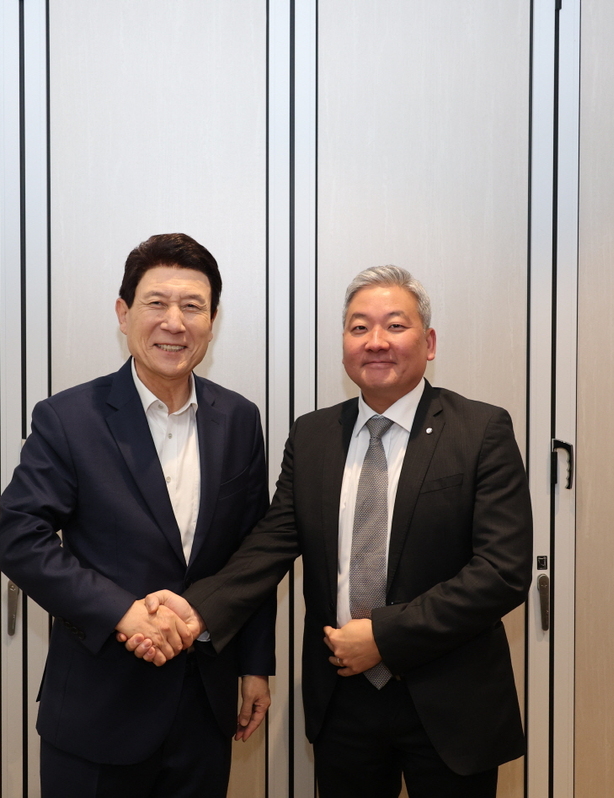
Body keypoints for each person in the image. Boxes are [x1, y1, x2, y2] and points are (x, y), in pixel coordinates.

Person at [127, 265, 532, 798]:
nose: (376, 341)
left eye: (395, 326)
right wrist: (195, 610)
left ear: (429, 343)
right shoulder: (314, 435)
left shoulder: (480, 430)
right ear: (344, 345)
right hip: (344, 700)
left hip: (451, 699)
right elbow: (271, 543)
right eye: (359, 328)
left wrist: (384, 637)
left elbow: (502, 572)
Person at [0, 233, 274, 797]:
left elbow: (253, 554)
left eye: (192, 306)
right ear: (124, 314)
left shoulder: (239, 419)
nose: (175, 322)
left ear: (212, 321)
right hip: (99, 710)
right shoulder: (69, 417)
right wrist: (122, 612)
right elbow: (20, 538)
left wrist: (254, 665)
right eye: (156, 303)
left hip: (204, 707)